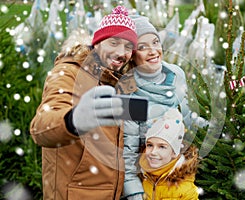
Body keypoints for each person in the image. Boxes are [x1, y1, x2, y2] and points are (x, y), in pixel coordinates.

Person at [30, 6, 137, 200]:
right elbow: (40, 128)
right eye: (114, 42)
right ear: (97, 43)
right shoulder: (68, 73)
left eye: (128, 46)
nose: (122, 52)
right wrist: (73, 120)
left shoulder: (118, 80)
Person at [116, 16, 206, 200]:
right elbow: (128, 156)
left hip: (178, 175)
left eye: (155, 42)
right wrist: (136, 195)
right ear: (131, 55)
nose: (153, 51)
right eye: (142, 47)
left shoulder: (175, 74)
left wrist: (219, 129)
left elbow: (187, 116)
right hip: (149, 182)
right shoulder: (130, 94)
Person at [139, 108, 199, 199]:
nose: (153, 152)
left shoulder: (186, 190)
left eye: (162, 147)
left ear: (174, 153)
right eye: (150, 145)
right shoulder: (142, 177)